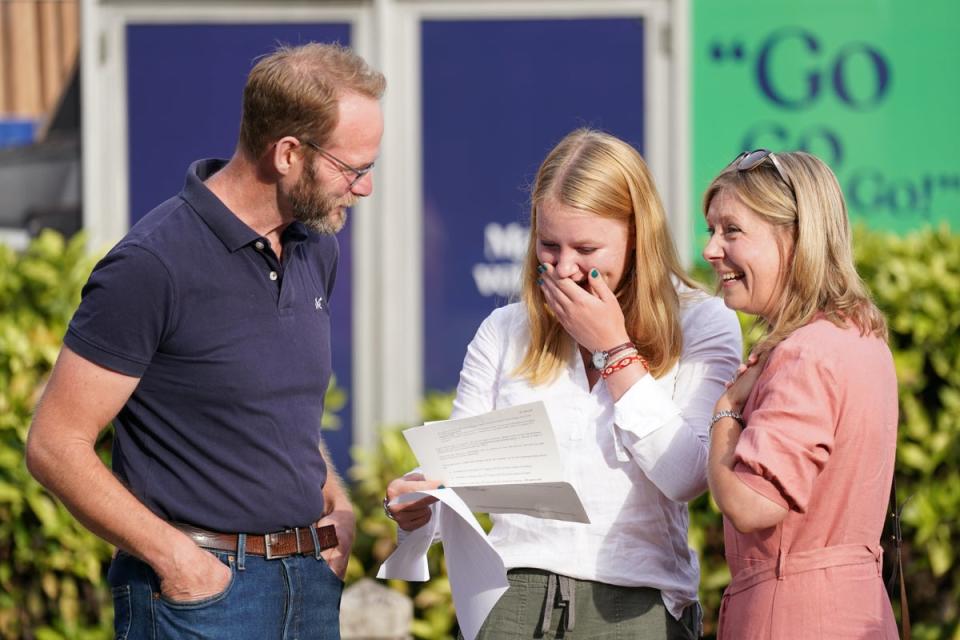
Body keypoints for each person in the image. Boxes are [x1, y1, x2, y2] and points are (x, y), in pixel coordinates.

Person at [25, 42, 384, 639]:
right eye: (354, 169)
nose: (364, 188)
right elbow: (54, 444)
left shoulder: (314, 246)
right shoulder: (151, 265)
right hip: (199, 599)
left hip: (308, 586)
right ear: (288, 153)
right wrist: (176, 560)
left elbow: (272, 413)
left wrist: (336, 505)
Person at [387, 129, 742, 639]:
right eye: (549, 246)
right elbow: (458, 476)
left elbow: (686, 475)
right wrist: (418, 506)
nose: (565, 267)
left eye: (587, 248)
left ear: (637, 237)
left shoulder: (703, 322)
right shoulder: (506, 329)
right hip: (513, 596)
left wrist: (616, 351)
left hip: (635, 604)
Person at [702, 149, 898, 638]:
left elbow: (751, 503)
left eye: (731, 230)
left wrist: (725, 411)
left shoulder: (805, 353)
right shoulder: (860, 337)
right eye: (711, 230)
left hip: (793, 617)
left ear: (794, 239)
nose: (710, 249)